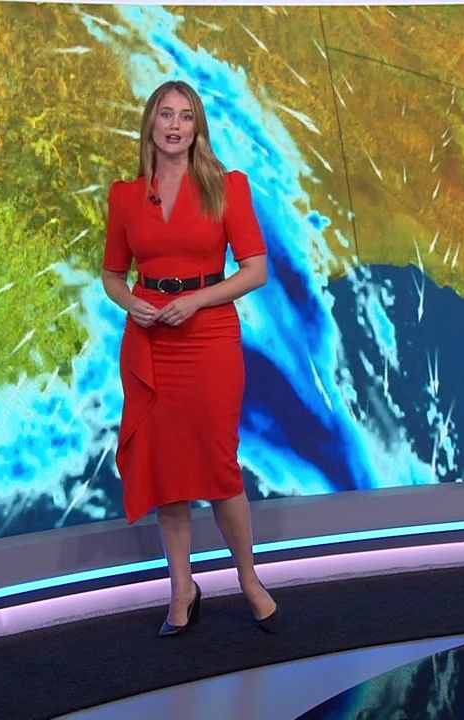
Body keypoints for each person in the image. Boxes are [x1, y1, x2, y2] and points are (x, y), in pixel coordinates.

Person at [101, 80, 281, 637]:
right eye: (165, 114)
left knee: (219, 465)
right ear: (150, 123)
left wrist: (196, 301)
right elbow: (112, 274)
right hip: (151, 343)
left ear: (197, 127)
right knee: (166, 470)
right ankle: (182, 589)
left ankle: (248, 578)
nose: (174, 125)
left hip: (208, 338)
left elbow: (255, 270)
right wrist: (131, 303)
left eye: (185, 116)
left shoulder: (226, 187)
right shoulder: (126, 196)